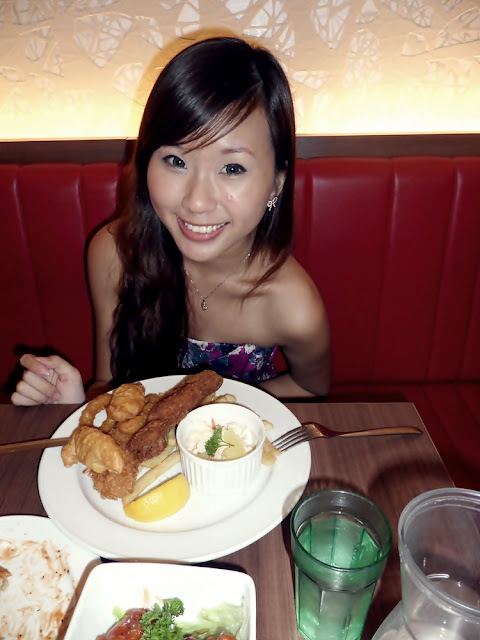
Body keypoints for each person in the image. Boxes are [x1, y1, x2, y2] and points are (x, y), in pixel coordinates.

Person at [11, 36, 331, 407]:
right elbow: (109, 384)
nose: (197, 201)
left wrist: (217, 407)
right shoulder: (114, 254)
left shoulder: (292, 305)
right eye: (176, 161)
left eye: (232, 168)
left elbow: (312, 388)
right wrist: (74, 402)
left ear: (276, 182)